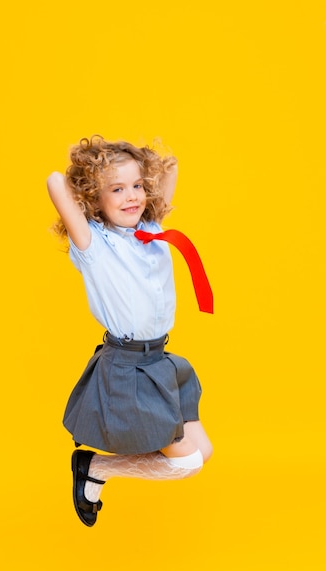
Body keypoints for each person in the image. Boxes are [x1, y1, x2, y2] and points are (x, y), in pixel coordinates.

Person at [47, 135, 213, 527]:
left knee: (201, 453)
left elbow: (169, 165)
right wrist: (90, 177)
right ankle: (97, 468)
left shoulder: (152, 230)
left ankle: (96, 468)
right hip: (127, 369)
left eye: (137, 186)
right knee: (187, 463)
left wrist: (144, 171)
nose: (131, 196)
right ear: (93, 198)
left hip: (161, 362)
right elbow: (56, 181)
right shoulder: (92, 245)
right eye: (117, 190)